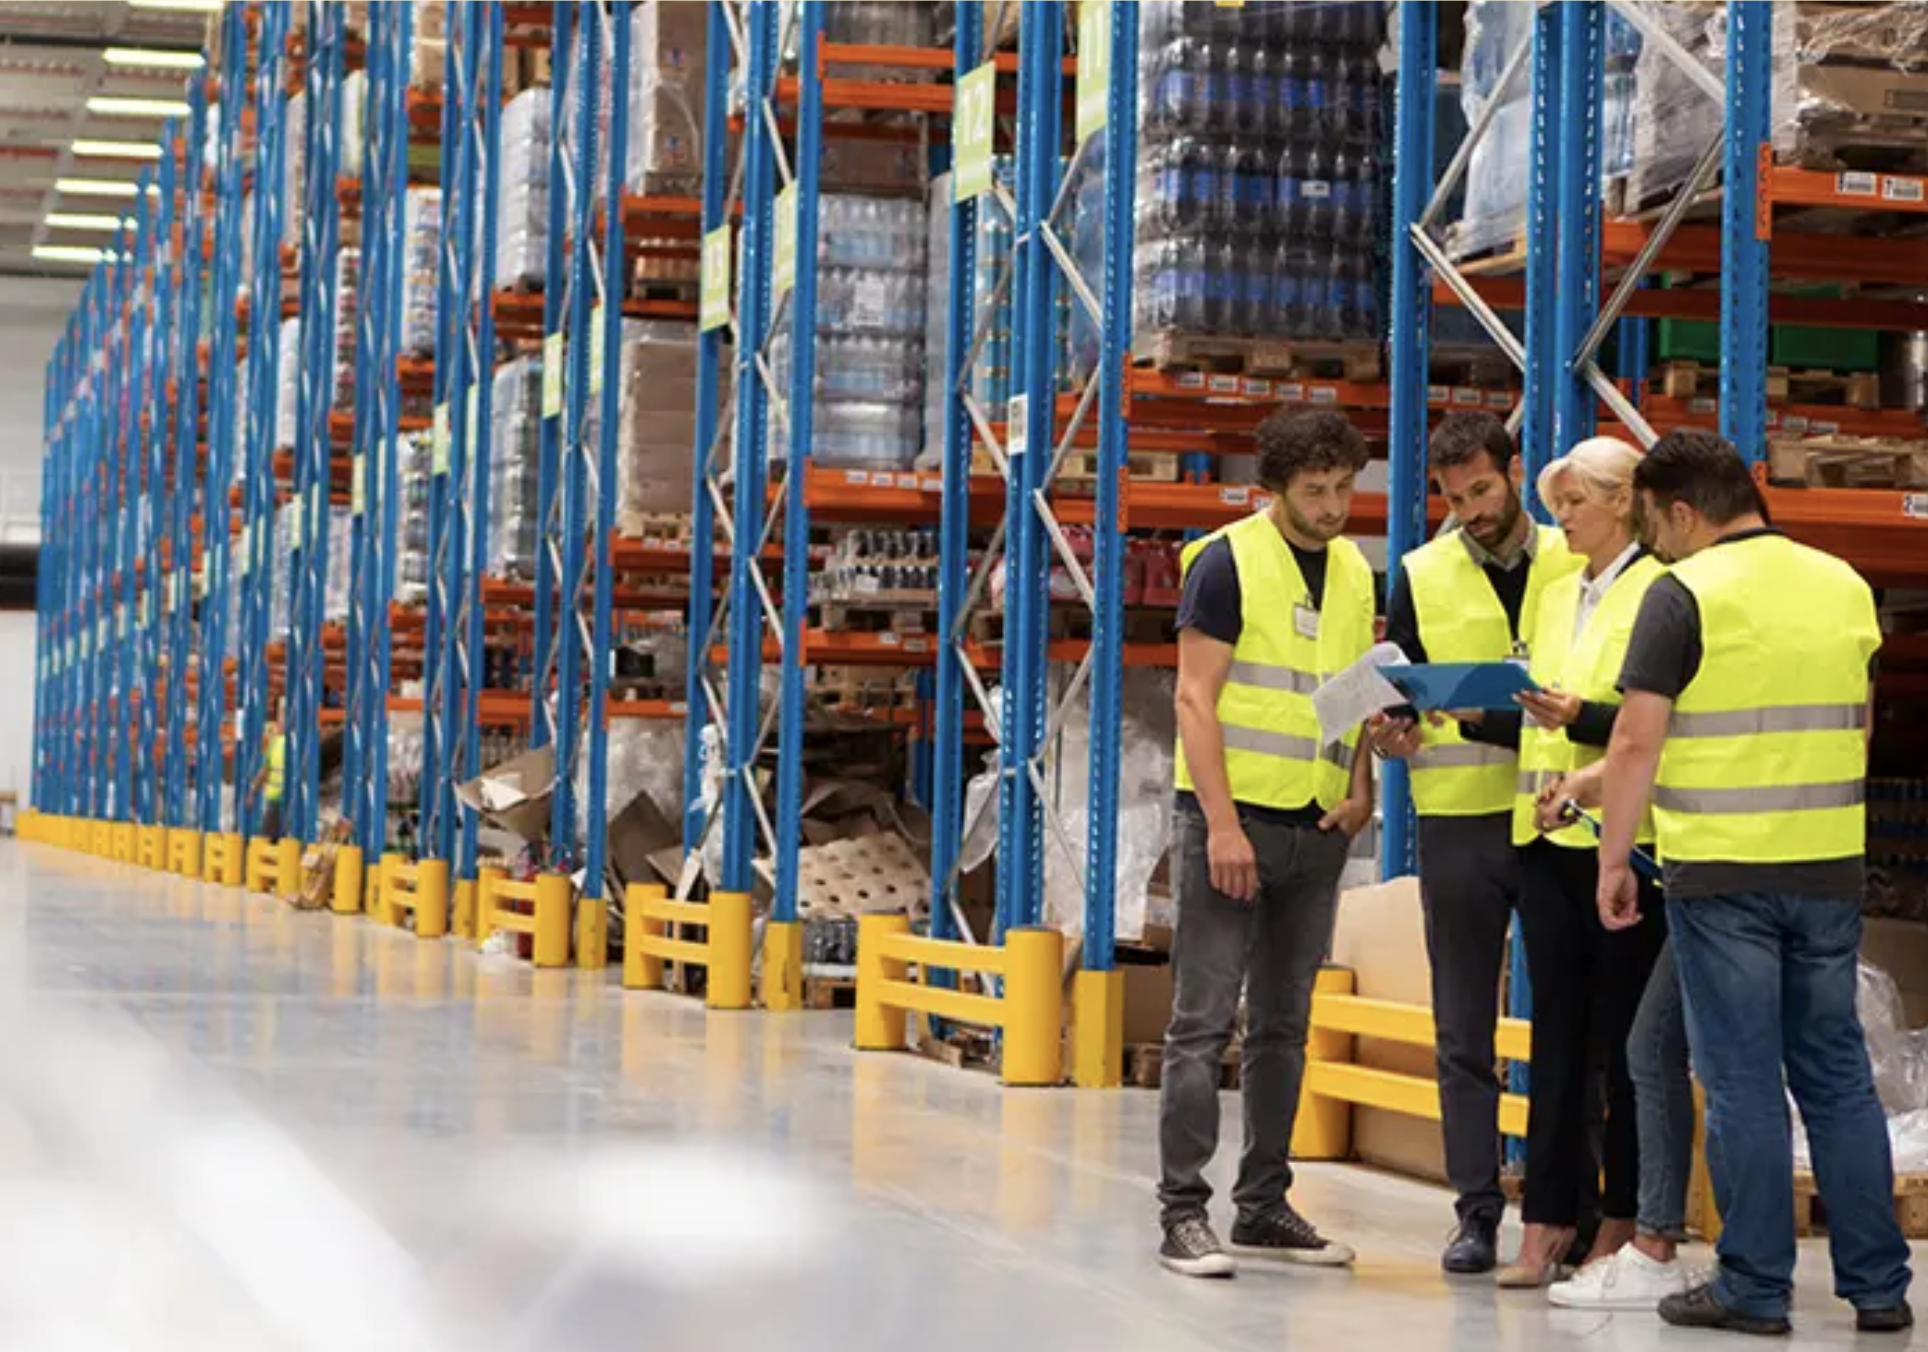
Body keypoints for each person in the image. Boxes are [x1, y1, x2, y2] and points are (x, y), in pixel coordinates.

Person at [1595, 428, 1912, 1335]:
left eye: (1655, 524)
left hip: (1724, 870)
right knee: (1837, 1078)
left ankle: (1754, 1286)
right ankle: (1880, 1288)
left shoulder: (1680, 592)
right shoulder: (1843, 583)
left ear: (1684, 512)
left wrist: (1616, 859)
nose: (1654, 543)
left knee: (1739, 1083)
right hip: (1827, 867)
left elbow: (1634, 740)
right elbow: (1853, 728)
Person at [1157, 408, 1376, 1278]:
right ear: (1272, 492)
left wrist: (1361, 787)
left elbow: (1356, 689)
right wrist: (1218, 825)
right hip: (1230, 825)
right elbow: (1192, 701)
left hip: (1317, 829)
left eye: (1343, 488)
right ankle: (1182, 1213)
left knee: (1286, 1026)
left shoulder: (1359, 570)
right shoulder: (1224, 563)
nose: (1332, 507)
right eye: (1314, 492)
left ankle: (1264, 1205)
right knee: (1201, 1026)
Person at [1449, 438, 1670, 1287]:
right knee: (1558, 1042)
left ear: (1623, 501)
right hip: (1544, 838)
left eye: (1577, 502)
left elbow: (1643, 721)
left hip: (1621, 845)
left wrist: (1580, 719)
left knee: (1624, 1048)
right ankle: (1544, 1224)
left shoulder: (1659, 590)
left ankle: (1619, 1223)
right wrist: (1461, 716)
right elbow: (1540, 715)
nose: (1562, 517)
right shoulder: (1555, 594)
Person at [1367, 410, 1581, 1274]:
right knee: (1463, 1026)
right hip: (1458, 820)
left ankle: (1574, 1208)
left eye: (1483, 491)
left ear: (1514, 471)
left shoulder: (1577, 555)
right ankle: (1475, 1210)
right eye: (1454, 499)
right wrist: (1395, 731)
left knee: (1577, 1026)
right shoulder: (1420, 572)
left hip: (1557, 814)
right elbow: (1400, 690)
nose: (1470, 512)